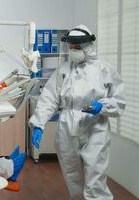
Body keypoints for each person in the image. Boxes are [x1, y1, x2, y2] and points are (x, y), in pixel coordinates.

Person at [29, 25, 125, 200]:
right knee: (72, 174)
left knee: (95, 175)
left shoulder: (104, 70)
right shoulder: (64, 70)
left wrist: (102, 106)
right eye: (71, 47)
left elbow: (119, 101)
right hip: (67, 125)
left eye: (77, 47)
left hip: (95, 126)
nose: (73, 50)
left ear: (88, 46)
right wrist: (38, 124)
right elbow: (49, 98)